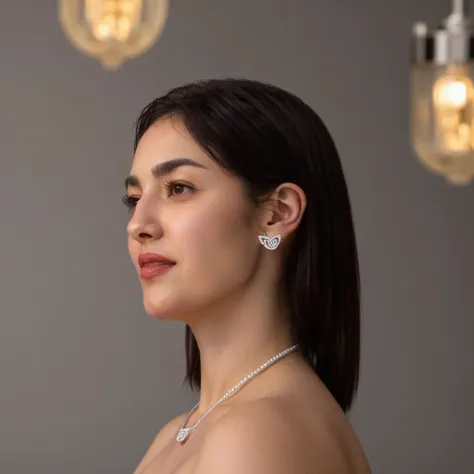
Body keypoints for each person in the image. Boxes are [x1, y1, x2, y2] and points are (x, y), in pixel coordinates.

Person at [124, 78, 371, 474]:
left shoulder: (255, 434)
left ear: (276, 214)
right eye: (134, 198)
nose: (138, 224)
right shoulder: (182, 432)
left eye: (179, 187)